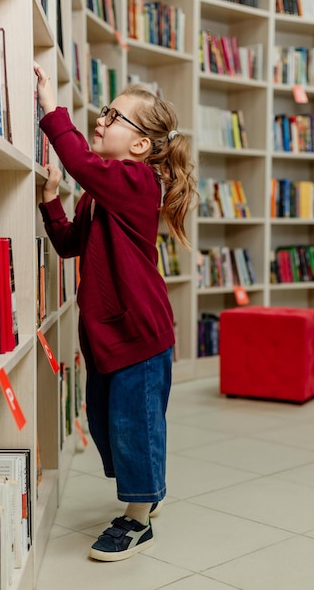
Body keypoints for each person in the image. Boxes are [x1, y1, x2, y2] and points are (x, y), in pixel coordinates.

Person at [34, 61, 198, 562]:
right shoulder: (95, 198)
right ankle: (147, 492)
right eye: (102, 112)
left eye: (112, 115)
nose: (100, 119)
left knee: (135, 424)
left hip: (141, 334)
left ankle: (137, 517)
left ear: (141, 147)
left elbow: (83, 164)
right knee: (105, 421)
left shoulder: (137, 183)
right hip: (106, 335)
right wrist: (51, 201)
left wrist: (49, 108)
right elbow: (67, 246)